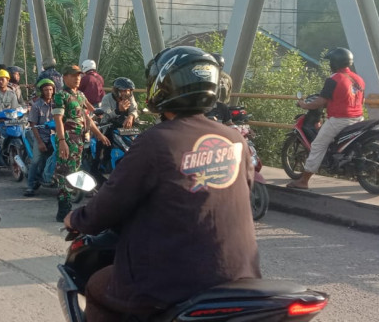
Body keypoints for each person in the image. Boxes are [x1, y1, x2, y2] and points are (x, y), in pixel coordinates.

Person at [64, 46, 260, 321]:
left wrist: (76, 218)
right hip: (240, 275)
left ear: (163, 86)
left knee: (96, 287)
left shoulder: (157, 141)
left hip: (171, 281)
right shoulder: (234, 139)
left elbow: (110, 203)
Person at [286, 47, 365, 190]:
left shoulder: (334, 79)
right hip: (358, 118)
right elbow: (360, 100)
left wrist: (305, 105)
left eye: (330, 62)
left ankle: (303, 181)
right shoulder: (358, 79)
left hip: (339, 120)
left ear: (335, 62)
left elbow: (321, 101)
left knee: (317, 145)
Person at [53, 65, 110, 222]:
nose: (77, 78)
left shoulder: (80, 95)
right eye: (73, 75)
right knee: (65, 173)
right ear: (65, 77)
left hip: (79, 140)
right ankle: (63, 210)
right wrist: (62, 141)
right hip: (68, 139)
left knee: (74, 171)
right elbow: (58, 119)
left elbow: (88, 116)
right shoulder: (61, 96)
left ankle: (69, 206)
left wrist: (99, 134)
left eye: (79, 75)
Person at [23, 78, 57, 197]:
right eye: (46, 89)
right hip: (41, 136)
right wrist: (40, 142)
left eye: (50, 89)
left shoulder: (57, 104)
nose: (48, 92)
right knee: (36, 160)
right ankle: (30, 185)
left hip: (55, 137)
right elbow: (33, 125)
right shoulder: (36, 106)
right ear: (42, 91)